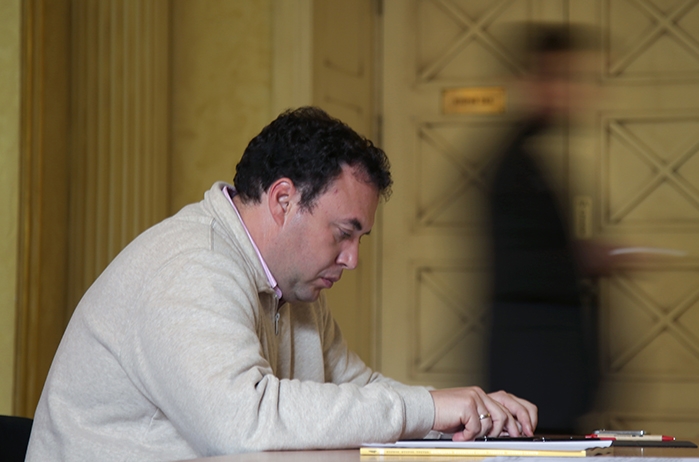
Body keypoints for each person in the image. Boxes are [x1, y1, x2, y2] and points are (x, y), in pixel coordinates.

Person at [26, 107, 537, 461]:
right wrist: (426, 408)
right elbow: (243, 424)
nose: (352, 259)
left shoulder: (293, 287)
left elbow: (356, 391)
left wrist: (461, 411)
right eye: (343, 233)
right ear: (284, 200)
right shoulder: (191, 266)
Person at [486, 24, 603, 434]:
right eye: (560, 77)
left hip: (548, 373)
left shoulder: (531, 155)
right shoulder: (513, 164)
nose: (571, 91)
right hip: (537, 376)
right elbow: (525, 272)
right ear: (532, 81)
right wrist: (585, 258)